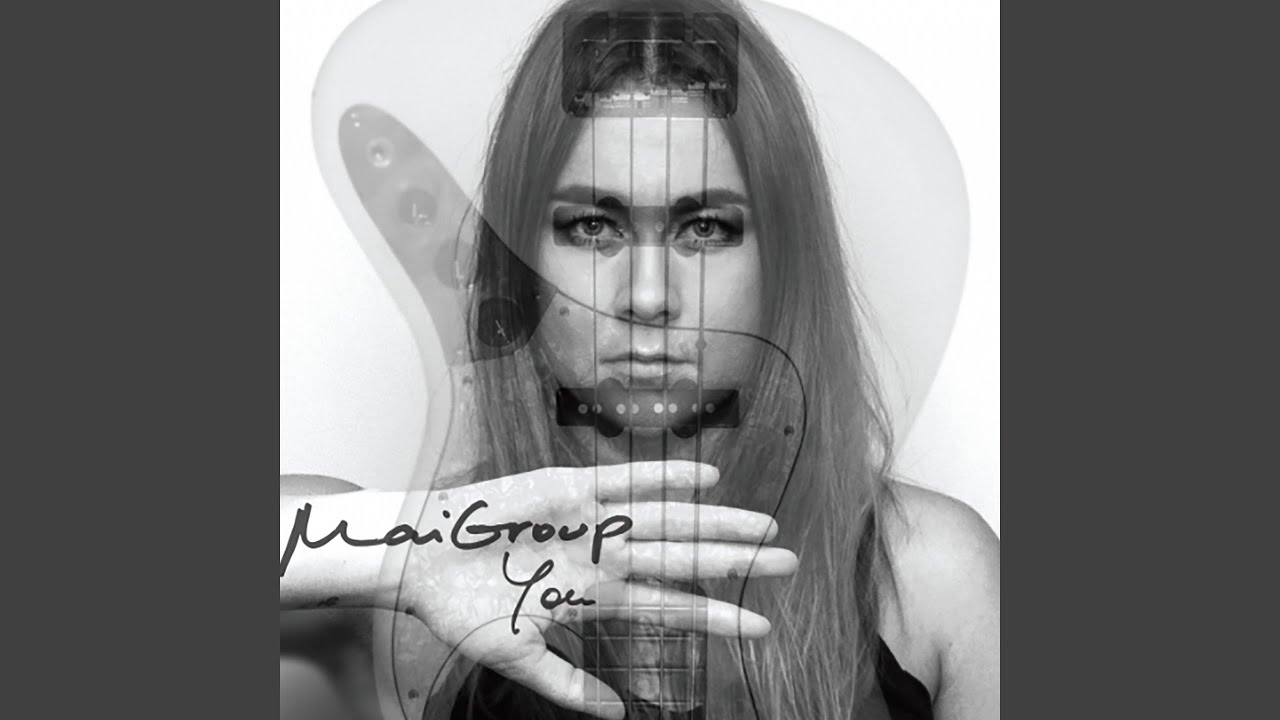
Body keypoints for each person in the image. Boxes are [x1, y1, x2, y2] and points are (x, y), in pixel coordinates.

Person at [281, 0, 999, 718]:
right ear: (519, 264)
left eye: (705, 227)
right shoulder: (417, 574)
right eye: (593, 226)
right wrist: (407, 552)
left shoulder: (931, 581)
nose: (648, 296)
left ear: (782, 262)